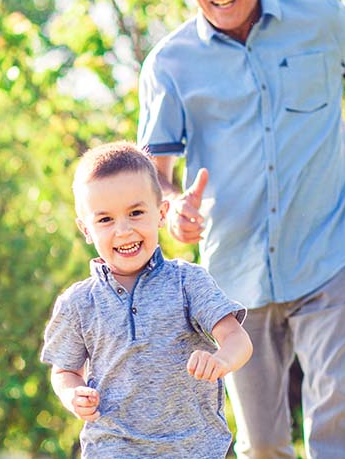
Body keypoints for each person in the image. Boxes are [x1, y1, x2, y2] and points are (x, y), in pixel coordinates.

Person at [137, 0, 345, 459]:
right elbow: (154, 179)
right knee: (262, 445)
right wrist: (174, 211)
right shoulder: (169, 65)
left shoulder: (322, 19)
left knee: (337, 418)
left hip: (332, 252)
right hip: (234, 279)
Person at [41, 141, 254, 458]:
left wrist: (221, 361)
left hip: (192, 448)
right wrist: (73, 395)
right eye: (105, 220)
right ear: (86, 229)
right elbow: (64, 371)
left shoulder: (187, 282)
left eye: (136, 213)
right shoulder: (78, 303)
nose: (124, 230)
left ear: (161, 213)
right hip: (113, 447)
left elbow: (238, 340)